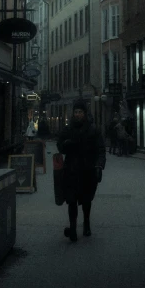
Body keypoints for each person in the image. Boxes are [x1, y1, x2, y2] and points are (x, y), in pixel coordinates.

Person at [57, 99, 106, 242]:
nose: (77, 114)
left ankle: (86, 223)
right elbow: (59, 145)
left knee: (86, 200)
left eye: (80, 112)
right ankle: (73, 228)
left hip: (87, 171)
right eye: (76, 112)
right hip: (71, 170)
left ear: (85, 113)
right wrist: (66, 144)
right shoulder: (68, 129)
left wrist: (99, 165)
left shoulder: (93, 130)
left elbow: (101, 150)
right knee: (71, 201)